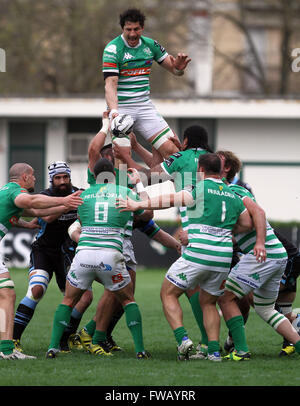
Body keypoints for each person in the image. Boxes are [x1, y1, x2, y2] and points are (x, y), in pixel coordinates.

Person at [116, 153, 253, 361]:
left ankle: (183, 340)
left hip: (199, 253)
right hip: (223, 257)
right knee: (209, 302)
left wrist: (137, 201)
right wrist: (223, 231)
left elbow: (170, 200)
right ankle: (214, 352)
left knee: (168, 293)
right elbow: (246, 224)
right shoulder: (233, 194)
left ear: (200, 170)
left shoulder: (198, 189)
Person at [46, 158, 150, 359]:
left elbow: (80, 222)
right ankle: (140, 350)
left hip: (83, 254)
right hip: (110, 255)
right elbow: (147, 213)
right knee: (128, 300)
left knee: (68, 300)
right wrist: (138, 183)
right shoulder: (125, 192)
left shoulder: (83, 195)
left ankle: (53, 346)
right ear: (113, 175)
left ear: (94, 175)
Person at [217, 150, 300, 361]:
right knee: (266, 310)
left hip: (266, 255)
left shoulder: (232, 190)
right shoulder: (226, 193)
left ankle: (241, 351)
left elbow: (260, 214)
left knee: (226, 297)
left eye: (216, 161)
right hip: (277, 256)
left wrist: (260, 244)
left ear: (226, 168)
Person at [0, 163, 83, 359]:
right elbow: (31, 201)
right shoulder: (16, 191)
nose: (35, 179)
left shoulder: (6, 191)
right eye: (33, 175)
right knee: (7, 295)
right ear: (25, 177)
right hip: (44, 250)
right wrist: (65, 200)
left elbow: (34, 212)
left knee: (7, 294)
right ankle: (6, 349)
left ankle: (6, 349)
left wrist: (26, 224)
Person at [103, 8, 191, 162]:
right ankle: (124, 186)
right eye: (128, 29)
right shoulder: (113, 49)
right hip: (122, 108)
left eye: (136, 29)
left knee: (174, 152)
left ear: (142, 28)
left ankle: (171, 185)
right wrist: (114, 112)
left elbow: (175, 71)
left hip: (144, 107)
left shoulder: (151, 45)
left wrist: (178, 69)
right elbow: (110, 84)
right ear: (122, 28)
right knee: (122, 158)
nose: (132, 34)